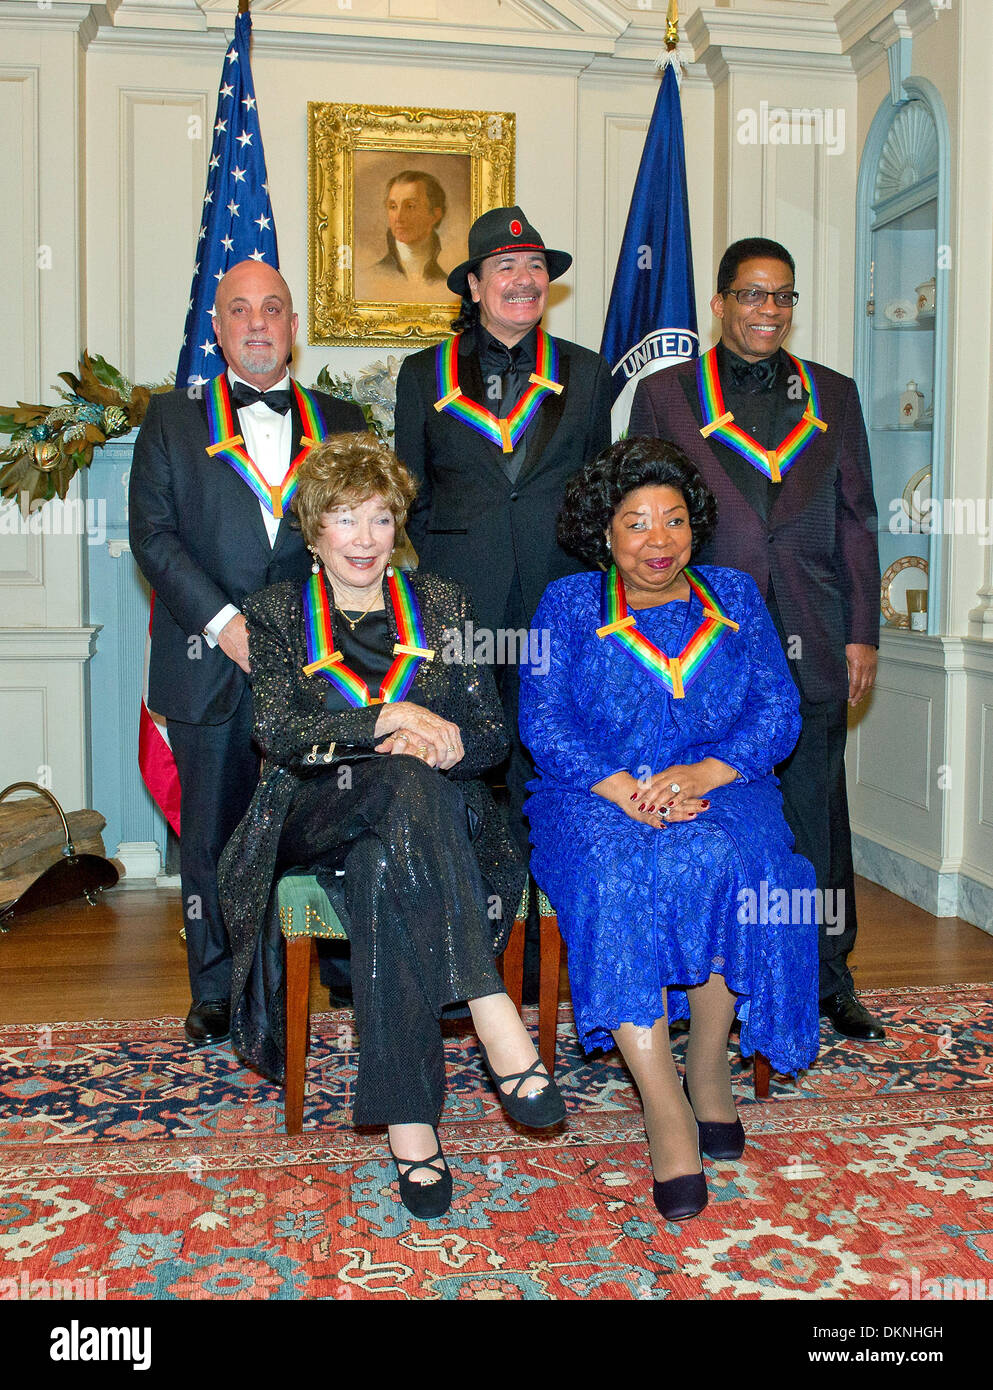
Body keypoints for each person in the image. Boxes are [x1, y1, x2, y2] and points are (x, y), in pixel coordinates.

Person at [218, 432, 565, 1220]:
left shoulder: (441, 605)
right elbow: (279, 731)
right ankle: (492, 1012)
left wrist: (435, 744)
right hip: (312, 808)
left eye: (380, 519)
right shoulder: (274, 614)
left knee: (386, 862)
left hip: (416, 820)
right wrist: (389, 719)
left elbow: (488, 736)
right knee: (399, 775)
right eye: (344, 520)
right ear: (313, 532)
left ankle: (411, 1130)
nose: (365, 540)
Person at [519, 438, 820, 1222]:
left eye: (675, 520)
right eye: (636, 523)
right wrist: (627, 792)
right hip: (592, 795)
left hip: (723, 784)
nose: (659, 540)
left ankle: (710, 1068)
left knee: (735, 862)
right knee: (617, 881)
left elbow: (777, 709)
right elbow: (544, 724)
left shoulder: (735, 594)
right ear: (604, 535)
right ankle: (663, 1105)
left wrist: (707, 775)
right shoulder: (566, 604)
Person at [629, 236, 883, 1042]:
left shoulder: (833, 395)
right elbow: (639, 517)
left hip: (813, 626)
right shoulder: (667, 393)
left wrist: (861, 631)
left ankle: (825, 975)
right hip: (702, 645)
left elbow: (856, 518)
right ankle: (699, 989)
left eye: (781, 297)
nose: (767, 311)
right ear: (719, 303)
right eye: (751, 295)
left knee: (812, 810)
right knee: (705, 807)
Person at [129, 260, 366, 1049]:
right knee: (214, 833)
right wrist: (226, 622)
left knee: (325, 818)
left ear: (294, 326)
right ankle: (218, 989)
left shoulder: (342, 418)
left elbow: (363, 539)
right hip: (206, 657)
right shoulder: (170, 420)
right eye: (241, 311)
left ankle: (334, 972)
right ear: (218, 329)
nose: (258, 323)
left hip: (318, 666)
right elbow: (153, 538)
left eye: (274, 309)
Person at [394, 205, 612, 870]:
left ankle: (541, 903)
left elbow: (599, 495)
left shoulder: (588, 371)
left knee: (546, 754)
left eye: (535, 267)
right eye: (505, 267)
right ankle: (463, 916)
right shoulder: (420, 374)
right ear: (474, 285)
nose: (523, 279)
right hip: (461, 601)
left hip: (558, 596)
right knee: (455, 752)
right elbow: (412, 496)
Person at [363, 171, 449, 303]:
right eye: (393, 207)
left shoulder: (446, 284)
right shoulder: (369, 278)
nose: (398, 217)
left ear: (435, 215)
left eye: (410, 206)